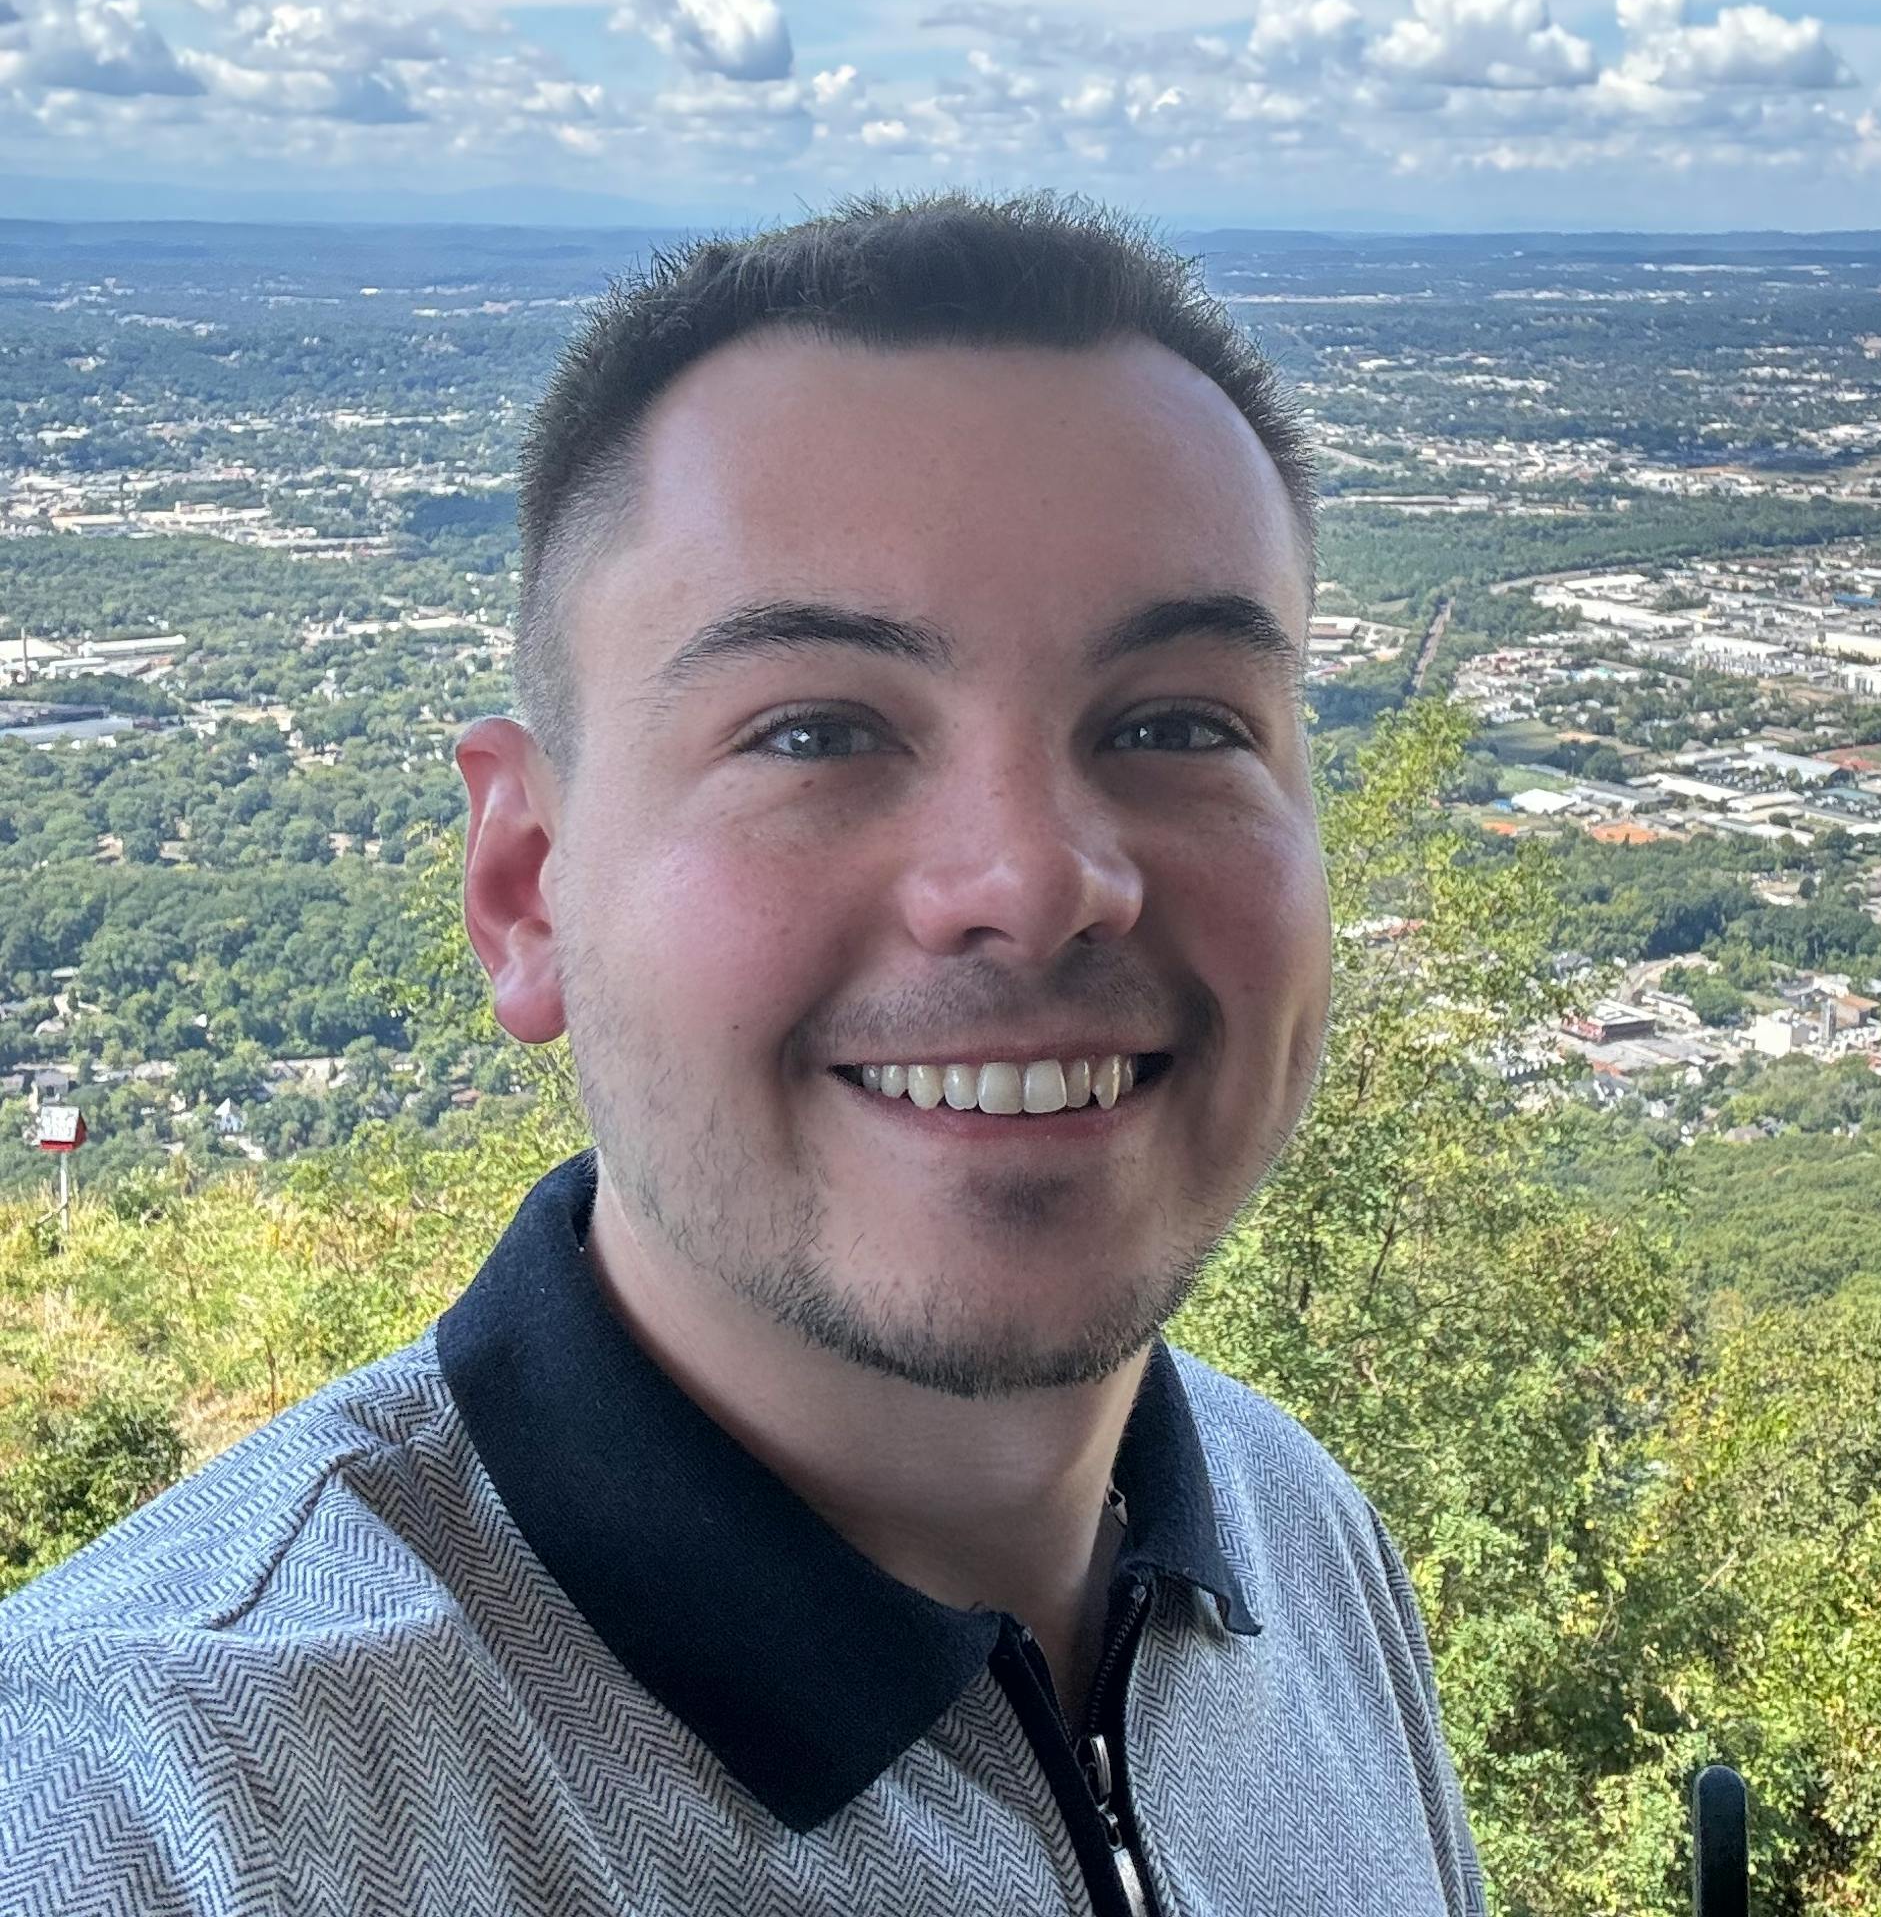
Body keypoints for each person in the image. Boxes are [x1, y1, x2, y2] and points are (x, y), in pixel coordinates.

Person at [0, 193, 1487, 1916]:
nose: (1032, 880)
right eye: (815, 730)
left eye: (1176, 723)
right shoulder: (155, 1819)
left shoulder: (1297, 1544)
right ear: (524, 886)